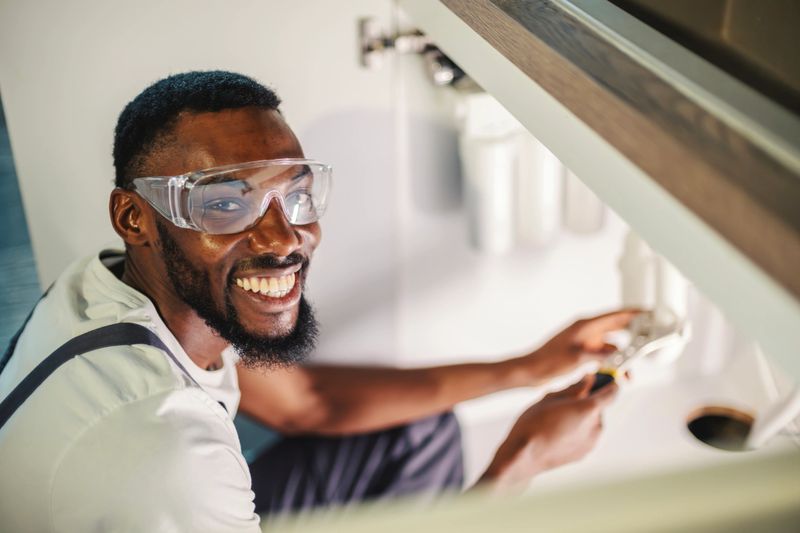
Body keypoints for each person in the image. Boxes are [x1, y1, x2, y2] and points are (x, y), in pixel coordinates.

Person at [0, 71, 632, 531]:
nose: (284, 238)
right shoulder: (172, 458)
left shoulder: (114, 285)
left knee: (415, 431)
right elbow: (179, 464)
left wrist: (529, 368)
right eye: (225, 203)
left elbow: (309, 403)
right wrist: (520, 465)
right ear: (134, 217)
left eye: (295, 195)